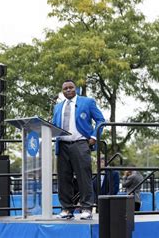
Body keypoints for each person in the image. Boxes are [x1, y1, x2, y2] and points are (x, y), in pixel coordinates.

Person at [52, 79, 105, 220]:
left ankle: (86, 208)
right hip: (62, 145)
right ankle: (66, 209)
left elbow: (101, 120)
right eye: (65, 89)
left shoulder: (87, 102)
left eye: (71, 87)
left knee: (84, 177)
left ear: (76, 89)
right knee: (63, 178)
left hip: (81, 143)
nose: (68, 90)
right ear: (62, 91)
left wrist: (94, 136)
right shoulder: (57, 107)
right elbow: (53, 125)